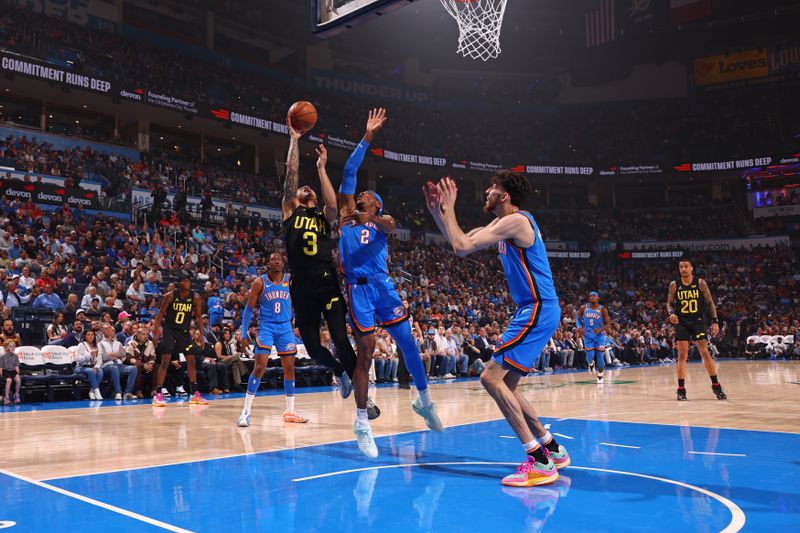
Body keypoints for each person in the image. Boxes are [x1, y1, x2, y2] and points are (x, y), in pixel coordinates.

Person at [424, 172, 569, 487]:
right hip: (535, 309)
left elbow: (462, 242)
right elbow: (459, 245)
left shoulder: (516, 222)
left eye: (491, 187)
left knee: (489, 377)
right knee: (508, 386)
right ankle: (552, 448)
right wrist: (440, 212)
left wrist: (449, 206)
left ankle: (539, 462)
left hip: (537, 307)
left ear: (504, 195)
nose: (486, 191)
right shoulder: (500, 227)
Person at [337, 108, 443, 459]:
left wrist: (373, 216)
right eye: (361, 194)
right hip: (358, 289)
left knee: (408, 345)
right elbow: (350, 169)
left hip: (383, 287)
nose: (361, 194)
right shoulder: (346, 217)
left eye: (368, 194)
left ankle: (425, 402)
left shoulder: (381, 220)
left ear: (376, 203)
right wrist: (368, 136)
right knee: (365, 354)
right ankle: (362, 424)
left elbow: (390, 223)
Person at [280, 118, 360, 406]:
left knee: (340, 338)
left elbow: (333, 205)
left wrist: (322, 169)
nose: (305, 188)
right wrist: (294, 139)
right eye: (303, 188)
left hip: (326, 282)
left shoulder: (323, 218)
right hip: (301, 287)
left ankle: (364, 400)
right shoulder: (290, 212)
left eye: (308, 187)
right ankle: (340, 372)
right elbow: (290, 173)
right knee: (314, 348)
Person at [237, 252, 307, 426]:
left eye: (278, 260)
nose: (275, 262)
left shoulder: (289, 280)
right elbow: (248, 309)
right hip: (266, 327)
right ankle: (245, 412)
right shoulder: (259, 282)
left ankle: (290, 410)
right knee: (260, 365)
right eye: (272, 260)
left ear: (283, 264)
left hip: (285, 328)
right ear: (268, 264)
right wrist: (244, 334)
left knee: (289, 367)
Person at [667, 259, 726, 401]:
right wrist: (671, 313)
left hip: (698, 320)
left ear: (692, 268)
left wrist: (715, 322)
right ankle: (681, 389)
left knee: (705, 352)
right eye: (681, 267)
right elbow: (669, 303)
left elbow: (710, 303)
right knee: (682, 355)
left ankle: (716, 386)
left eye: (686, 266)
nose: (683, 269)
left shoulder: (700, 283)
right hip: (682, 322)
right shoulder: (674, 285)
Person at [150, 274, 208, 406]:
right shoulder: (170, 296)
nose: (187, 283)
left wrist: (202, 335)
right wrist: (155, 333)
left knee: (191, 360)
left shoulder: (196, 297)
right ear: (180, 283)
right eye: (184, 280)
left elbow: (198, 317)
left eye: (188, 281)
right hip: (170, 330)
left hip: (184, 332)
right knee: (165, 361)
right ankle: (158, 394)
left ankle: (194, 394)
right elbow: (160, 315)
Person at [577, 292, 611, 383]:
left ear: (598, 298)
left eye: (594, 296)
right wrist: (579, 327)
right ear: (589, 298)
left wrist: (600, 330)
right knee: (590, 356)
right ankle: (591, 363)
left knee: (600, 356)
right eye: (591, 296)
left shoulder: (602, 309)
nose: (592, 297)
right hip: (588, 335)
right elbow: (578, 319)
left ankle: (600, 375)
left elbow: (608, 324)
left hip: (600, 336)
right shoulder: (583, 308)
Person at [98, 324, 137, 401]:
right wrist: (117, 355)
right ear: (102, 331)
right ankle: (118, 392)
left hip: (119, 365)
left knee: (133, 368)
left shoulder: (118, 343)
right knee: (114, 368)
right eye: (106, 328)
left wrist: (111, 354)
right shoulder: (100, 344)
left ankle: (128, 393)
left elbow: (123, 354)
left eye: (110, 328)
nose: (109, 330)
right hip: (107, 366)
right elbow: (104, 357)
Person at [74, 329, 104, 400]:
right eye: (88, 335)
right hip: (81, 367)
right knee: (90, 371)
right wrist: (89, 355)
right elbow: (77, 359)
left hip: (92, 366)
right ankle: (97, 391)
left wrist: (96, 367)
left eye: (92, 335)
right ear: (85, 336)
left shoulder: (97, 346)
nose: (91, 336)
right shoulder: (81, 345)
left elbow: (100, 360)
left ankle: (92, 390)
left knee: (100, 371)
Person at [1, 340, 22, 405]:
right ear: (6, 347)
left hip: (13, 371)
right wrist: (1, 375)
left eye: (13, 346)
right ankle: (6, 397)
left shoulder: (15, 356)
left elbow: (16, 366)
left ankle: (16, 394)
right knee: (9, 380)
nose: (12, 347)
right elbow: (1, 367)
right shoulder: (3, 356)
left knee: (18, 379)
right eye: (10, 346)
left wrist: (17, 374)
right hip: (6, 372)